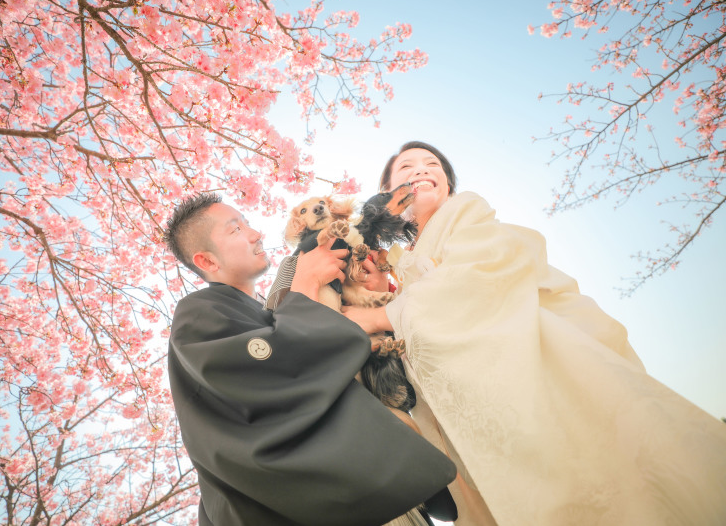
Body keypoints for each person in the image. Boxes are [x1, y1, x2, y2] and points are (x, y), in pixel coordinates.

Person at [343, 141, 726, 526]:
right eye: (406, 167)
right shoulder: (402, 262)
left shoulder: (466, 212)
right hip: (465, 396)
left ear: (449, 183)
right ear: (387, 194)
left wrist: (378, 318)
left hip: (529, 358)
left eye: (433, 165)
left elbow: (483, 269)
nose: (422, 170)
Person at [163, 193, 456, 526]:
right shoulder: (197, 314)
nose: (255, 233)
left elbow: (328, 364)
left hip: (360, 491)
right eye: (235, 230)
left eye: (247, 223)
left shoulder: (264, 310)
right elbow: (267, 375)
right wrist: (304, 285)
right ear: (207, 261)